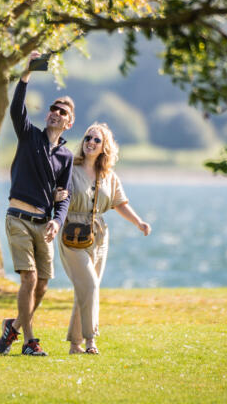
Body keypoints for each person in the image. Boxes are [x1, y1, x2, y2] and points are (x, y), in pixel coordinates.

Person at [0, 53, 75, 357]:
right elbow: (17, 109)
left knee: (41, 285)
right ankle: (29, 341)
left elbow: (63, 196)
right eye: (53, 109)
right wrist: (26, 74)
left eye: (62, 111)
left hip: (45, 225)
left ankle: (12, 327)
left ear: (69, 122)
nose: (55, 113)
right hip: (18, 218)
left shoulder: (66, 158)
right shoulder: (29, 136)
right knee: (28, 278)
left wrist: (58, 219)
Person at [59, 122, 151, 355]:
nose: (90, 142)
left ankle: (74, 345)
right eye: (88, 137)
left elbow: (119, 203)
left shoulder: (109, 175)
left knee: (88, 288)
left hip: (99, 235)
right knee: (89, 285)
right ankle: (91, 341)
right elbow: (55, 194)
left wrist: (138, 222)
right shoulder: (70, 168)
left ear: (104, 147)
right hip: (72, 233)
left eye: (96, 140)